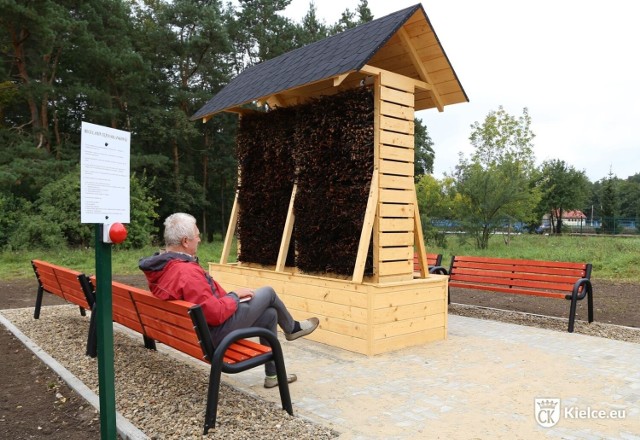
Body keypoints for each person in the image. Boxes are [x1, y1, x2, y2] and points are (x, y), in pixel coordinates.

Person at [139, 212, 319, 389]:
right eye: (197, 236)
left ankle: (273, 375)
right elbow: (215, 314)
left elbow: (205, 305)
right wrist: (234, 297)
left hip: (195, 333)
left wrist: (230, 297)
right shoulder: (186, 272)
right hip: (214, 335)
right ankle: (292, 328)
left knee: (270, 314)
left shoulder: (163, 267)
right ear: (185, 242)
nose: (199, 240)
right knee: (268, 293)